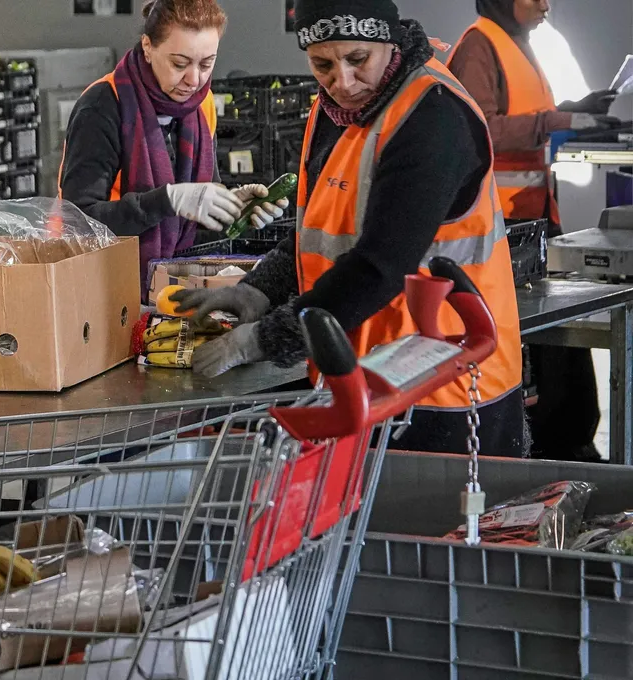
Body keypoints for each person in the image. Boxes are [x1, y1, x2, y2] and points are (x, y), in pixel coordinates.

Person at [171, 0, 528, 458]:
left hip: (444, 389)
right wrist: (256, 291)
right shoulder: (335, 111)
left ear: (390, 41)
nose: (342, 81)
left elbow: (381, 265)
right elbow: (321, 229)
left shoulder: (432, 117)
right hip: (360, 386)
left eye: (358, 59)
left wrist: (263, 339)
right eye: (322, 64)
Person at [448, 0, 619, 462]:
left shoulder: (518, 46)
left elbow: (527, 115)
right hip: (503, 226)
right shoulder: (479, 48)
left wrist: (572, 109)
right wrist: (560, 121)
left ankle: (573, 446)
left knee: (560, 354)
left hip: (533, 218)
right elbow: (480, 127)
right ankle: (552, 452)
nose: (545, 4)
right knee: (541, 353)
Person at [57, 0, 290, 288]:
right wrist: (168, 200)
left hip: (174, 280)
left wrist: (231, 209)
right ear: (148, 46)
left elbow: (194, 216)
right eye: (179, 64)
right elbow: (79, 224)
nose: (193, 80)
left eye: (206, 64)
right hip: (106, 284)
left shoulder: (202, 105)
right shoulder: (103, 106)